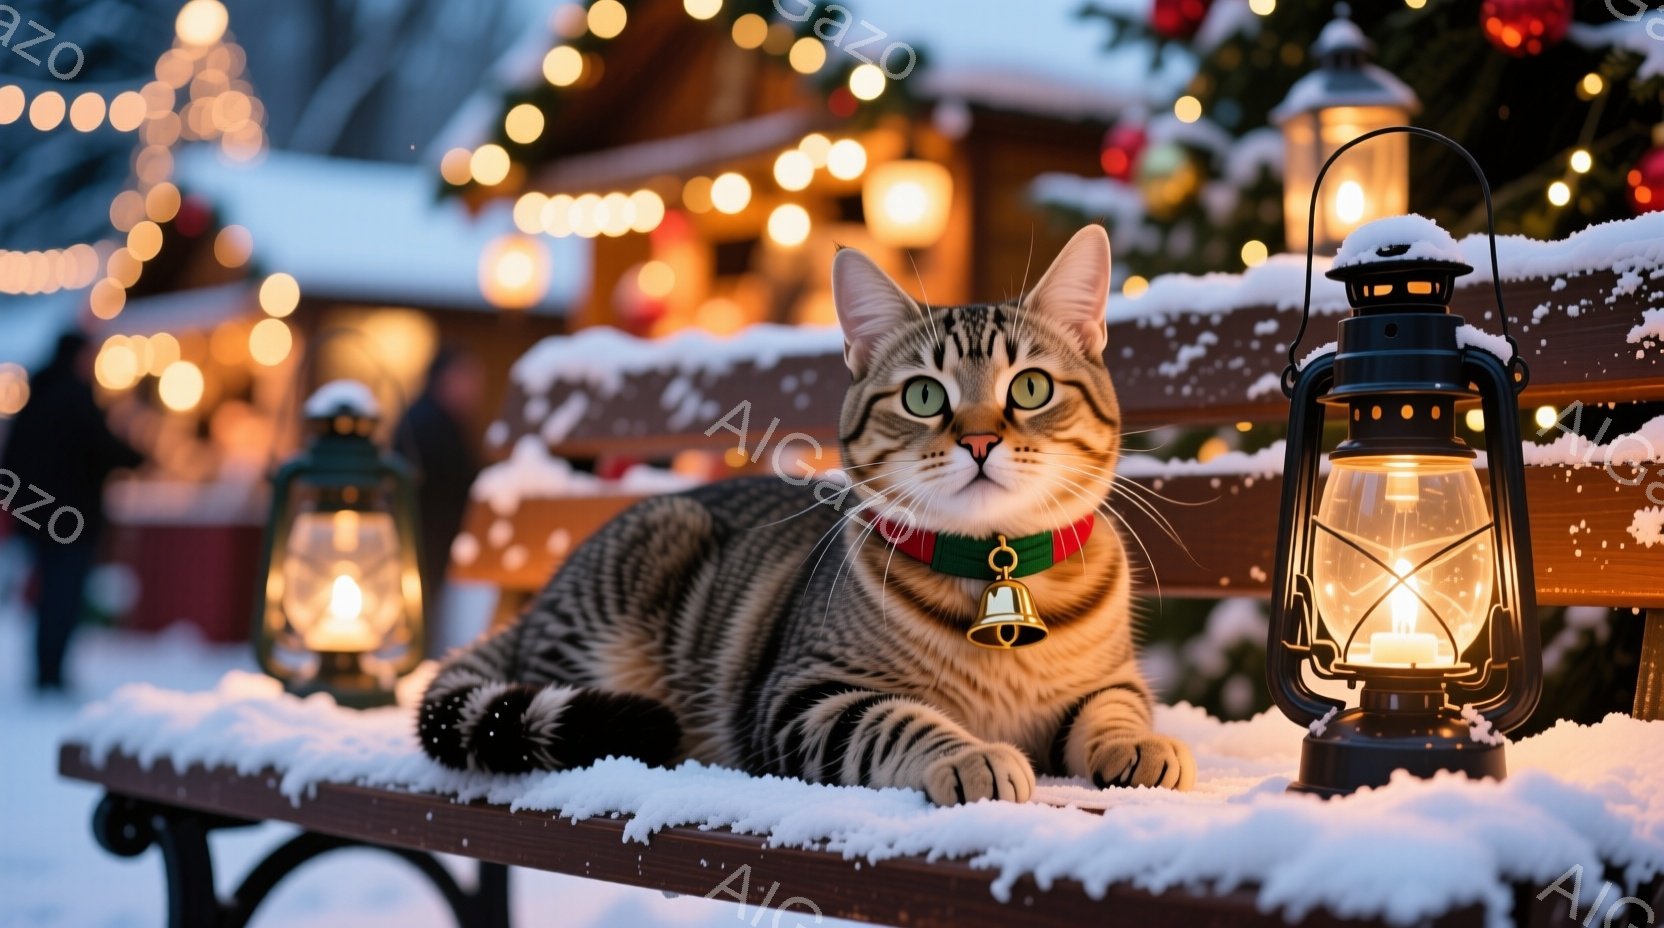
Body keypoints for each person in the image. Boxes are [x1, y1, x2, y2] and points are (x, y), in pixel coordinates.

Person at [2, 331, 143, 694]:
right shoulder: (76, 398)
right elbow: (103, 449)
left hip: (42, 516)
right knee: (63, 595)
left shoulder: (37, 395)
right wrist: (139, 454)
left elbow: (10, 464)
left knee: (49, 593)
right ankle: (52, 673)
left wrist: (27, 509)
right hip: (72, 518)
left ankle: (44, 670)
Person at [394, 348, 484, 649]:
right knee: (417, 611)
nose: (474, 390)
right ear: (444, 378)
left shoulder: (441, 420)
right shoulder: (428, 422)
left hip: (433, 540)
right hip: (424, 538)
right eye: (467, 379)